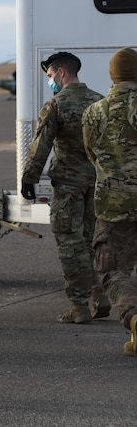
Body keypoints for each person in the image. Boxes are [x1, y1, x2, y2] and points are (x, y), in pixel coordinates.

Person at [21, 52, 109, 324]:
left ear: (61, 72)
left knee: (70, 243)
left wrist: (29, 178)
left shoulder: (56, 105)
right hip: (97, 184)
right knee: (91, 242)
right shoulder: (100, 102)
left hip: (69, 186)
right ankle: (100, 294)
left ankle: (78, 307)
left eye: (49, 76)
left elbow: (41, 146)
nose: (50, 81)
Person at [82, 47, 137, 356]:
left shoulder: (95, 111)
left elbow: (92, 154)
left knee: (113, 270)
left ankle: (133, 316)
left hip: (113, 205)